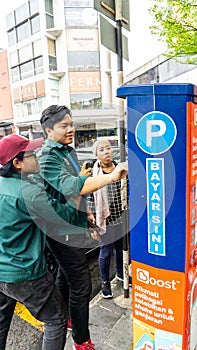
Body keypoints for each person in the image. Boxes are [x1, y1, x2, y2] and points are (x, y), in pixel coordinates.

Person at [38, 104, 128, 350]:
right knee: (81, 284)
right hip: (60, 229)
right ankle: (81, 339)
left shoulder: (66, 150)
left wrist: (85, 209)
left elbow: (71, 187)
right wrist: (110, 177)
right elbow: (69, 185)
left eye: (71, 124)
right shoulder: (47, 156)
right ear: (48, 131)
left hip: (71, 221)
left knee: (65, 277)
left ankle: (66, 318)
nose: (71, 129)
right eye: (63, 126)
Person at [0, 134, 81, 350]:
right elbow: (63, 216)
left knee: (1, 323)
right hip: (26, 274)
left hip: (1, 272)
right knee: (56, 319)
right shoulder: (27, 193)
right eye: (31, 155)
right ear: (17, 163)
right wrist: (76, 200)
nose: (37, 157)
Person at [88, 138, 130, 299]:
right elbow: (90, 199)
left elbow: (128, 190)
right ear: (97, 155)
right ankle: (105, 282)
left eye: (108, 148)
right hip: (105, 220)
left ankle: (121, 274)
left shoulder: (121, 169)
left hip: (123, 217)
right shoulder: (94, 173)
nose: (106, 152)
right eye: (102, 150)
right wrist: (92, 226)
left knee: (122, 249)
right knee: (105, 253)